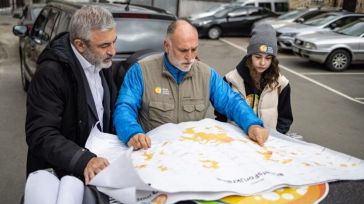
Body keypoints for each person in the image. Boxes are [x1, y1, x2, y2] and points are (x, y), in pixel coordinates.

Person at [113, 19, 269, 150]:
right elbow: (125, 107)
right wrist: (132, 133)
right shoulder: (140, 71)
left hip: (191, 154)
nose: (190, 57)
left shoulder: (206, 74)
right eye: (183, 50)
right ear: (166, 46)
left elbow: (232, 102)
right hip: (152, 152)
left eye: (194, 49)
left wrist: (252, 124)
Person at [25, 5, 117, 184]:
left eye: (114, 41)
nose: (113, 51)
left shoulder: (102, 61)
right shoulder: (51, 73)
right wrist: (84, 160)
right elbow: (40, 133)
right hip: (62, 177)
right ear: (80, 45)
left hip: (98, 172)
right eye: (105, 45)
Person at [215, 24, 293, 134]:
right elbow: (220, 116)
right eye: (257, 56)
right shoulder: (230, 80)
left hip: (266, 143)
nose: (262, 62)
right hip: (237, 143)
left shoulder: (282, 84)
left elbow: (285, 119)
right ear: (250, 55)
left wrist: (275, 138)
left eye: (268, 58)